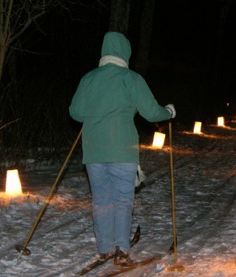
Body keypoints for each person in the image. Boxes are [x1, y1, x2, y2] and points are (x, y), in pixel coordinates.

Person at [69, 31, 176, 265]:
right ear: (125, 52)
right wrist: (168, 112)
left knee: (101, 200)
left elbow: (75, 112)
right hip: (123, 151)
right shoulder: (131, 78)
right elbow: (151, 112)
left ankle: (104, 248)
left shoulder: (89, 78)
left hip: (94, 150)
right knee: (123, 200)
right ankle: (122, 249)